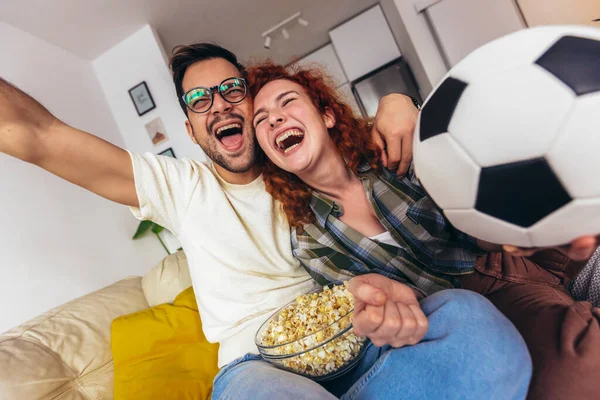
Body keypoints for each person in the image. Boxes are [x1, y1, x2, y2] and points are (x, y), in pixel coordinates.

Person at [1, 43, 438, 398]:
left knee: (462, 316)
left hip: (349, 341)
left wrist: (400, 100)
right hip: (256, 371)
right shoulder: (180, 186)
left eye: (232, 89)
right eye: (198, 99)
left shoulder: (300, 160)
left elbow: (359, 136)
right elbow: (37, 134)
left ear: (255, 104)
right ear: (191, 130)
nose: (219, 106)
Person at [247, 61, 600, 400]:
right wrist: (378, 312)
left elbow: (468, 213)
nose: (275, 118)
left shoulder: (389, 150)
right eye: (261, 120)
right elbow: (364, 304)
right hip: (443, 322)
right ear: (267, 151)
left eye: (288, 102)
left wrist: (402, 101)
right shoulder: (309, 241)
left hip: (496, 270)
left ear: (327, 115)